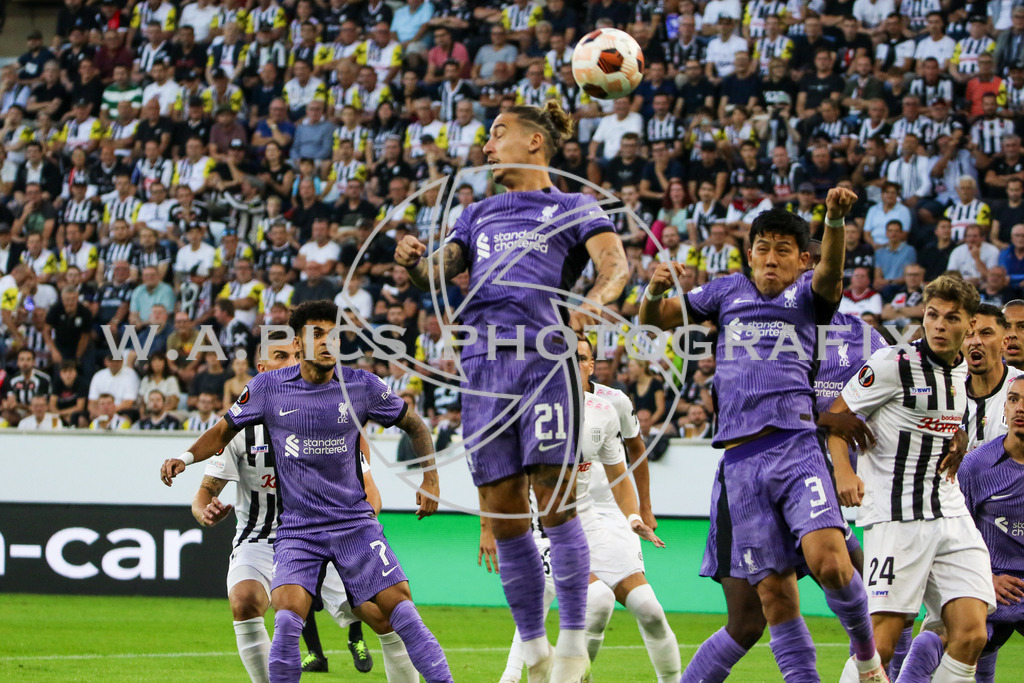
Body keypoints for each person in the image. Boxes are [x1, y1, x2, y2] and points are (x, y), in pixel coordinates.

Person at [394, 99, 629, 681]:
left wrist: (591, 307)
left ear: (535, 143)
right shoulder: (478, 214)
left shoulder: (574, 206)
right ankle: (535, 647)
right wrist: (413, 260)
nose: (486, 145)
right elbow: (440, 271)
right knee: (503, 517)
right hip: (483, 370)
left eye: (498, 133)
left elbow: (616, 265)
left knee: (555, 506)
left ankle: (572, 644)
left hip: (545, 364)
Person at [640, 189, 889, 682]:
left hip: (797, 450)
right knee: (774, 599)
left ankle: (868, 662)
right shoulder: (725, 293)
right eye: (762, 248)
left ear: (802, 260)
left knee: (833, 564)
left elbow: (831, 274)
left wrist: (834, 220)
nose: (771, 259)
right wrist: (653, 291)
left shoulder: (808, 298)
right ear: (749, 252)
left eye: (783, 250)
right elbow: (654, 322)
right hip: (741, 464)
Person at [160, 300, 451, 683]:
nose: (327, 341)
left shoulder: (361, 386)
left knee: (400, 610)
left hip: (353, 525)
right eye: (317, 333)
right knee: (287, 618)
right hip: (297, 530)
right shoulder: (268, 388)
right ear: (299, 343)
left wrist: (430, 479)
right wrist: (184, 457)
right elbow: (221, 431)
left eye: (333, 334)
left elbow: (415, 425)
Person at [828, 274, 997, 681]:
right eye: (932, 315)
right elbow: (835, 417)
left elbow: (943, 421)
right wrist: (844, 471)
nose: (939, 325)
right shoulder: (892, 363)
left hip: (951, 514)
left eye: (951, 318)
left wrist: (957, 436)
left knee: (973, 634)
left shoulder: (961, 376)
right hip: (897, 516)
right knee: (881, 644)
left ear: (969, 325)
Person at [488, 337, 673, 683]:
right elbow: (500, 469)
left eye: (582, 358)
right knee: (573, 597)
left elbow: (634, 453)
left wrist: (641, 510)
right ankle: (516, 676)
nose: (573, 364)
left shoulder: (611, 404)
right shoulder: (533, 407)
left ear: (592, 364)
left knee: (639, 607)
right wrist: (493, 525)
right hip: (552, 520)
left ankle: (559, 675)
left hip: (607, 513)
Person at [957, 378, 1024, 683]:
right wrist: (985, 579)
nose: (1020, 408)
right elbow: (954, 537)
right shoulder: (976, 466)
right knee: (944, 637)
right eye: (1013, 399)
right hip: (989, 585)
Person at [963, 304, 1024, 452]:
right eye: (968, 334)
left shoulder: (1020, 386)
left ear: (1004, 342)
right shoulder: (945, 394)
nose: (975, 341)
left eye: (986, 333)